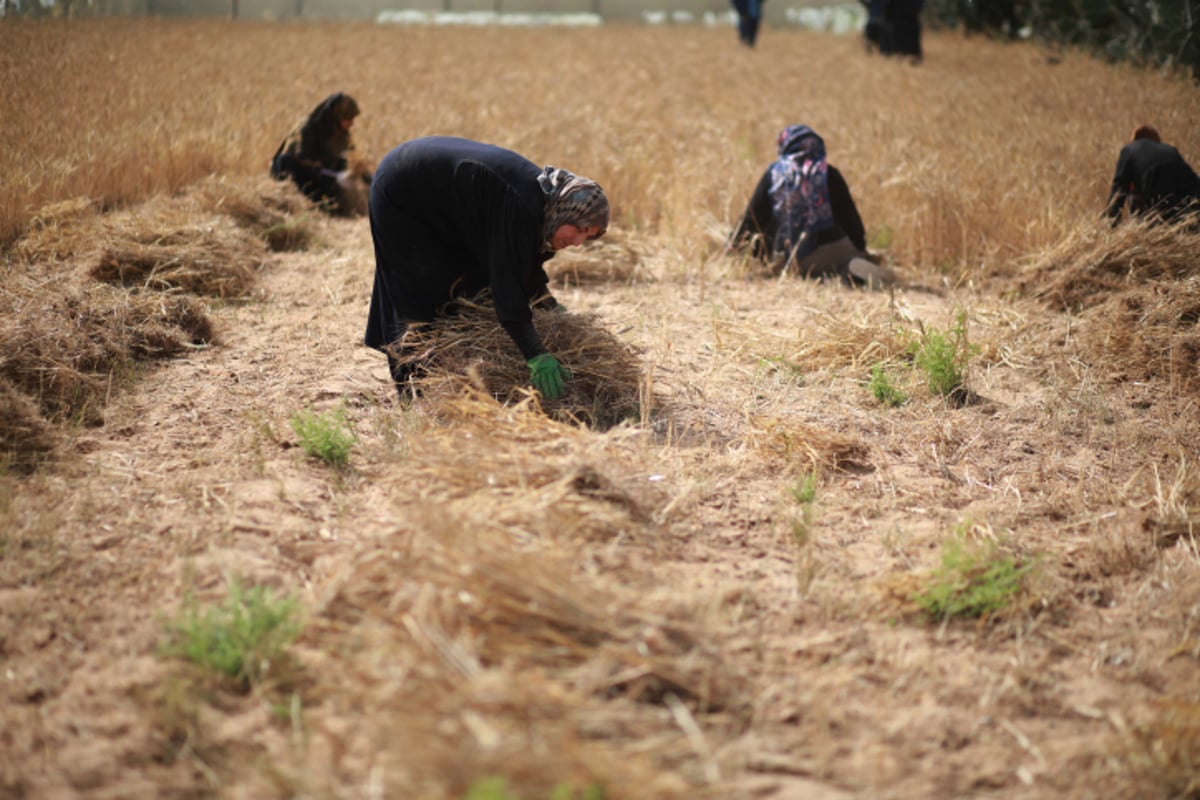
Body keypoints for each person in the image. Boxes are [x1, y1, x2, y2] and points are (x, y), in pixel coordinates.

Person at [363, 136, 610, 401]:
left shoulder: (545, 206)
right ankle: (414, 395)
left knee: (467, 279)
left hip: (444, 206)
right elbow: (507, 284)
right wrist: (535, 353)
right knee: (419, 292)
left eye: (588, 236)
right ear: (566, 210)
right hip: (404, 190)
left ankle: (444, 379)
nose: (577, 242)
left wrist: (544, 300)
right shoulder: (521, 204)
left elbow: (522, 262)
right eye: (579, 229)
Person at [727, 124, 894, 288]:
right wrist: (860, 249)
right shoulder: (829, 173)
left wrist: (734, 249)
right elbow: (851, 221)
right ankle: (850, 270)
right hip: (838, 248)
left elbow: (752, 219)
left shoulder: (774, 174)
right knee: (847, 262)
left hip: (796, 257)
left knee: (792, 259)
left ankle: (830, 277)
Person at [270, 92, 372, 216]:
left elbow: (351, 156)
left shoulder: (340, 133)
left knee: (333, 206)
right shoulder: (309, 128)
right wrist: (332, 175)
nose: (351, 123)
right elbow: (301, 158)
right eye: (348, 119)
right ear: (338, 115)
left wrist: (362, 176)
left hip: (318, 174)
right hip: (294, 171)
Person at [1104, 124, 1200, 226]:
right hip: (1189, 185)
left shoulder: (1128, 150)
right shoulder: (1170, 149)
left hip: (1155, 181)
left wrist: (1111, 222)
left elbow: (1119, 189)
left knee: (1162, 224)